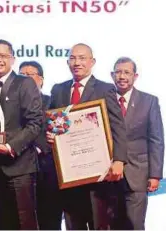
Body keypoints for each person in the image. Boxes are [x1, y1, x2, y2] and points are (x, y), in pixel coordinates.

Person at [47, 43, 128, 230]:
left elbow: (118, 128)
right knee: (73, 223)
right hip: (69, 174)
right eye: (73, 58)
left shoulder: (105, 89)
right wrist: (50, 136)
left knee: (99, 223)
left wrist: (119, 160)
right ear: (67, 62)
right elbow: (51, 124)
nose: (77, 63)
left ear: (92, 62)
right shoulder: (58, 90)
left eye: (82, 58)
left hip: (98, 173)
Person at [0, 39, 43, 229]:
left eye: (3, 56)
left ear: (12, 59)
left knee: (24, 223)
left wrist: (10, 147)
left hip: (19, 167)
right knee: (0, 223)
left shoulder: (25, 83)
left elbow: (35, 122)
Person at [110, 57, 164, 229]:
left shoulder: (149, 101)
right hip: (108, 173)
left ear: (135, 76)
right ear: (112, 75)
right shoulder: (104, 100)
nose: (122, 76)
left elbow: (156, 139)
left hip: (138, 174)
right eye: (118, 72)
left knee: (134, 225)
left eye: (127, 72)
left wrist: (155, 175)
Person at [19, 61, 62, 229]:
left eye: (30, 75)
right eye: (22, 76)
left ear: (41, 80)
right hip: (18, 169)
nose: (26, 79)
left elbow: (58, 130)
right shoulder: (11, 103)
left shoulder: (53, 101)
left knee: (50, 220)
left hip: (47, 168)